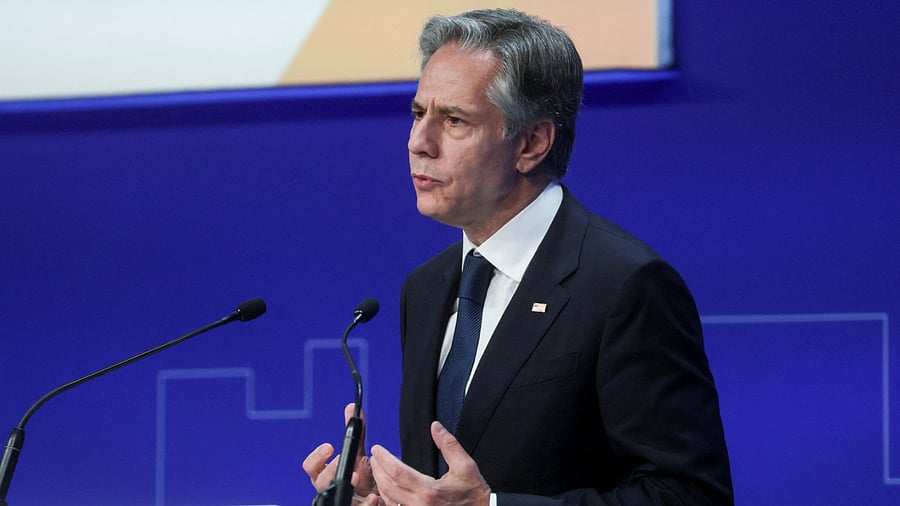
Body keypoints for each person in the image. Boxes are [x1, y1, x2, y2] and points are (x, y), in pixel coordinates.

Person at [304, 8, 733, 505]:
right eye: (419, 114)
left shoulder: (623, 284)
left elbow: (690, 495)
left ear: (531, 143)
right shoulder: (425, 288)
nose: (418, 143)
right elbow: (450, 486)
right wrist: (387, 498)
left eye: (454, 120)